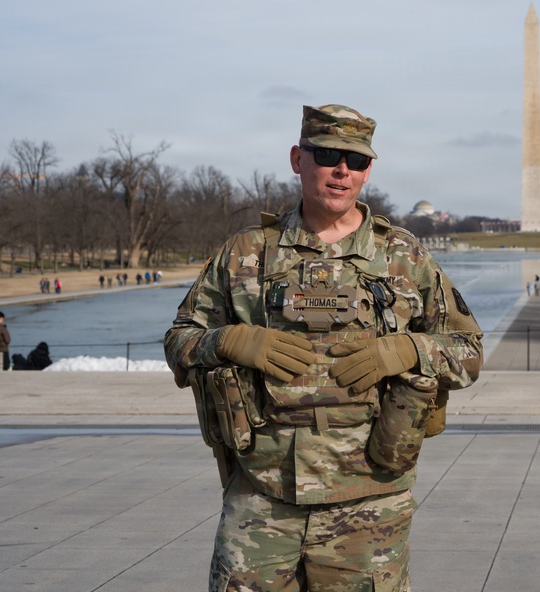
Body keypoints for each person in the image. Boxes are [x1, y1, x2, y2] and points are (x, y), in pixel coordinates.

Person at [164, 104, 483, 591]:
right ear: (298, 158)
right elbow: (178, 341)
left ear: (368, 170)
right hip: (262, 492)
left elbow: (468, 350)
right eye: (328, 154)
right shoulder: (245, 252)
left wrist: (405, 351)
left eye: (356, 161)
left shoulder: (405, 255)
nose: (342, 170)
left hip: (369, 497)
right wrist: (227, 340)